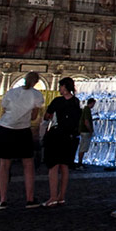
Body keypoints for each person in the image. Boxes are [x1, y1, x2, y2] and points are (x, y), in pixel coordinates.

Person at [0, 71, 45, 209]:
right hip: (23, 130)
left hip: (5, 129)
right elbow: (34, 117)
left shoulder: (11, 92)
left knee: (4, 164)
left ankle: (3, 199)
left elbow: (4, 109)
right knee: (28, 164)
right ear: (36, 82)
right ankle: (29, 198)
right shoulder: (36, 95)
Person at [43, 77, 81, 207]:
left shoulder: (58, 101)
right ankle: (61, 197)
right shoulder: (76, 102)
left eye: (60, 87)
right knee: (65, 167)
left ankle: (52, 197)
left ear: (65, 87)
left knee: (53, 166)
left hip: (56, 135)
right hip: (69, 137)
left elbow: (47, 116)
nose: (59, 89)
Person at [76, 98, 96, 169]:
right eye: (94, 104)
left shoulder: (85, 109)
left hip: (83, 131)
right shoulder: (87, 110)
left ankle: (80, 162)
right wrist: (90, 130)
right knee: (83, 147)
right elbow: (86, 121)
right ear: (91, 103)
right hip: (85, 131)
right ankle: (80, 163)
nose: (94, 105)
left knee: (83, 147)